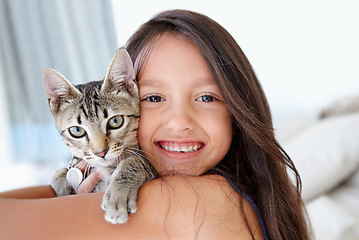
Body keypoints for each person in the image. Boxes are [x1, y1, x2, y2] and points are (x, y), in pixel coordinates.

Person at [0, 9, 310, 240]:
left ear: (238, 109)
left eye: (205, 97)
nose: (179, 122)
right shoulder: (238, 189)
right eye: (154, 98)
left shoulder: (200, 201)